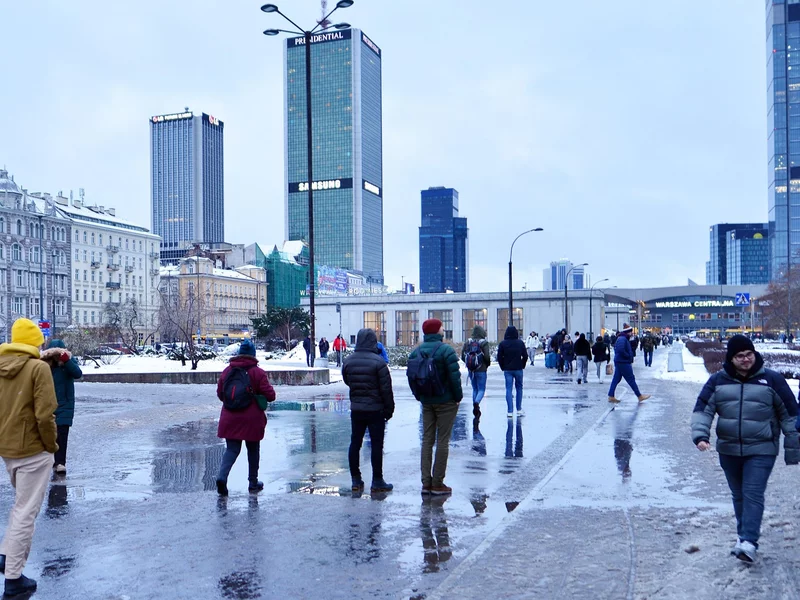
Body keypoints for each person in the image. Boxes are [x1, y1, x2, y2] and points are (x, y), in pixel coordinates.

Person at [692, 335, 800, 563]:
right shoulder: (718, 381)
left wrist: (793, 445)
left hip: (762, 449)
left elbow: (790, 413)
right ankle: (743, 537)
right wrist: (701, 435)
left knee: (752, 494)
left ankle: (749, 541)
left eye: (748, 354)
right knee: (739, 495)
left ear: (754, 354)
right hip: (729, 449)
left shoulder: (772, 380)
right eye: (739, 356)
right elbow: (703, 409)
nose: (745, 359)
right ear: (731, 359)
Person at [0, 318, 58, 596]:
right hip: (34, 449)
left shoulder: (3, 366)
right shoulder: (37, 369)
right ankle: (13, 578)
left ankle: (5, 555)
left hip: (7, 448)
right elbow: (45, 414)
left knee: (20, 505)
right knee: (27, 512)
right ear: (36, 341)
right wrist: (51, 446)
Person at [409, 319, 463, 495]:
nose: (443, 329)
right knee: (443, 440)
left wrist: (420, 396)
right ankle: (438, 483)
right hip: (446, 401)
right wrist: (457, 397)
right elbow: (454, 377)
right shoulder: (446, 350)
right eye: (441, 327)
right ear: (436, 331)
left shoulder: (415, 352)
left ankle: (426, 483)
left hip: (427, 402)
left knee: (427, 440)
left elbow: (412, 377)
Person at [215, 340, 276, 496]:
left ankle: (222, 477)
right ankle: (253, 483)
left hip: (230, 417)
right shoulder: (258, 372)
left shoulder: (227, 371)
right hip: (252, 419)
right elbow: (270, 396)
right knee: (253, 449)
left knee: (232, 449)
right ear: (253, 355)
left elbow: (220, 394)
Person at [342, 329, 395, 494]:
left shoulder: (348, 361)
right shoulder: (379, 363)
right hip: (376, 409)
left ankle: (356, 479)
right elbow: (386, 390)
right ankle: (377, 481)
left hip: (357, 409)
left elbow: (347, 381)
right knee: (377, 445)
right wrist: (389, 410)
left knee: (355, 443)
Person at [40, 339, 82, 474]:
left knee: (62, 435)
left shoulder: (69, 363)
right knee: (49, 435)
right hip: (49, 405)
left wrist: (67, 361)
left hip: (65, 405)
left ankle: (60, 463)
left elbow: (78, 373)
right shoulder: (45, 366)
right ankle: (52, 460)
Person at [608, 324, 651, 403]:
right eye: (631, 332)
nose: (632, 334)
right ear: (628, 332)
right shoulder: (623, 339)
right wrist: (628, 356)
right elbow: (621, 350)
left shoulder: (622, 338)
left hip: (620, 361)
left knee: (616, 379)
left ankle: (611, 396)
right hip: (623, 362)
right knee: (631, 379)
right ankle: (639, 396)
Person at [497, 326, 528, 417]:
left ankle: (509, 411)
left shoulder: (503, 344)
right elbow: (525, 356)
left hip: (507, 369)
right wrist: (522, 365)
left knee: (508, 389)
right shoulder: (520, 343)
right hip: (518, 368)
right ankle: (519, 409)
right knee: (519, 388)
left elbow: (499, 357)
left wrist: (502, 367)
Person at [461, 325, 491, 417]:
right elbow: (486, 356)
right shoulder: (484, 343)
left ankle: (475, 407)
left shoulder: (468, 342)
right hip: (481, 369)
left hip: (471, 370)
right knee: (481, 389)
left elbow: (462, 356)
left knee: (475, 389)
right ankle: (477, 403)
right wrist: (487, 364)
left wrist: (469, 364)